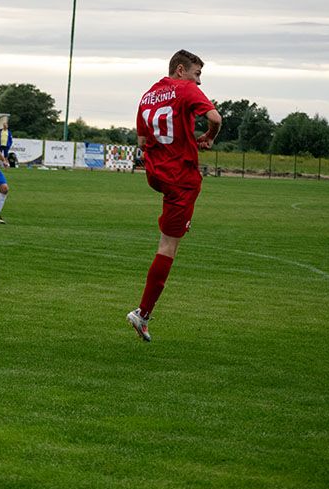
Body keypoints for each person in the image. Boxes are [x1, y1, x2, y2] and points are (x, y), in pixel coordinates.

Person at [126, 49, 222, 342]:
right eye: (197, 74)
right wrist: (209, 136)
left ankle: (143, 313)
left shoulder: (147, 95)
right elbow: (215, 118)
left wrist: (175, 144)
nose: (199, 81)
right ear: (181, 70)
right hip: (181, 180)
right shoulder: (186, 89)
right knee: (168, 245)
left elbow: (142, 140)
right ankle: (142, 314)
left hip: (157, 176)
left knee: (172, 231)